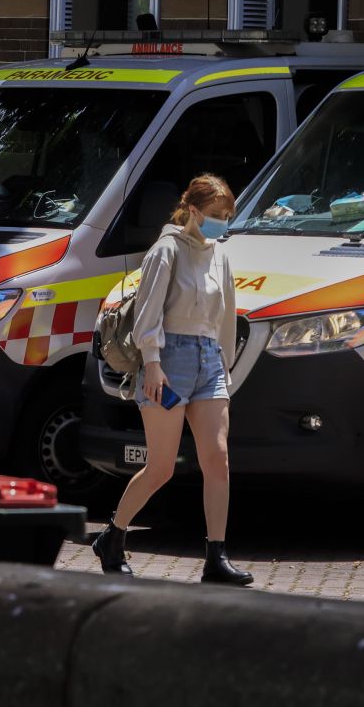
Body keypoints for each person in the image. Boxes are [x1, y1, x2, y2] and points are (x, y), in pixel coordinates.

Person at [92, 174, 253, 586]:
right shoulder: (165, 251)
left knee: (218, 458)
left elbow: (227, 314)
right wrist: (153, 362)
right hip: (169, 362)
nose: (223, 223)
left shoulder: (220, 254)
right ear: (193, 211)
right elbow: (148, 312)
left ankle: (216, 557)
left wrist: (225, 366)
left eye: (228, 216)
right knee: (161, 467)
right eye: (217, 215)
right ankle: (113, 536)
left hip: (209, 361)